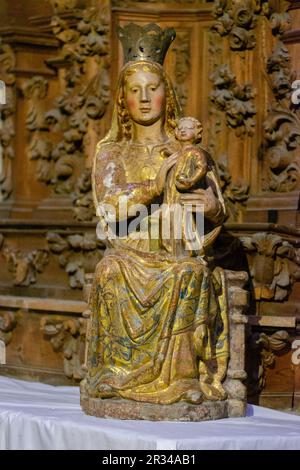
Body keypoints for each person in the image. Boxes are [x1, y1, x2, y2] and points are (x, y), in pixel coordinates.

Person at [82, 25, 229, 405]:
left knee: (191, 273)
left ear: (168, 94)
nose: (145, 98)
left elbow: (217, 205)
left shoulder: (187, 150)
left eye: (153, 88)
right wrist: (154, 185)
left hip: (176, 253)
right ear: (122, 100)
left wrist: (210, 207)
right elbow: (109, 209)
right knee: (109, 269)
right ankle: (116, 375)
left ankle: (180, 380)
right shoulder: (111, 152)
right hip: (130, 253)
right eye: (135, 90)